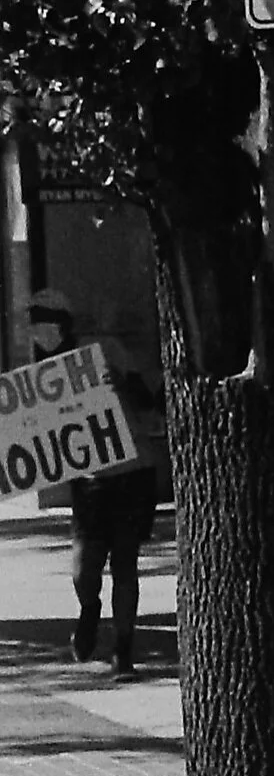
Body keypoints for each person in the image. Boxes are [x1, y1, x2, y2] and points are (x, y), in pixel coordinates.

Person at [35, 290, 159, 677]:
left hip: (132, 473)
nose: (38, 325)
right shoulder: (45, 373)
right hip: (90, 482)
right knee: (83, 568)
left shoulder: (106, 351)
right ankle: (90, 609)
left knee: (125, 564)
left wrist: (119, 383)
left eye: (44, 316)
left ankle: (124, 648)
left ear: (64, 320)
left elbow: (145, 399)